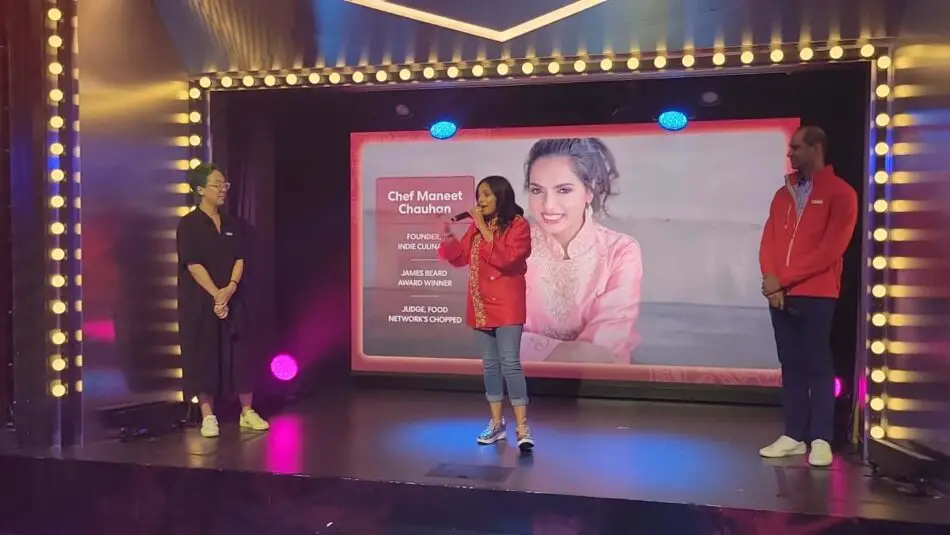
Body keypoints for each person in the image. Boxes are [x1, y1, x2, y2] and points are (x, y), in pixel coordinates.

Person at [757, 126, 857, 467]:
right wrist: (771, 281)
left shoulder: (841, 193)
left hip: (817, 293)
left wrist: (781, 280)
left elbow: (830, 250)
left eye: (797, 147)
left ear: (816, 149)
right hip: (780, 294)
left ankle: (821, 437)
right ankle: (794, 435)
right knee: (791, 365)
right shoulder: (782, 194)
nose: (791, 154)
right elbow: (769, 240)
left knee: (818, 364)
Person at [520, 138, 643, 364]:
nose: (548, 205)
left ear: (589, 191)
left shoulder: (620, 251)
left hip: (601, 380)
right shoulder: (509, 247)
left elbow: (604, 350)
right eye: (537, 190)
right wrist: (573, 353)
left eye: (564, 190)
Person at [438, 175, 535, 451]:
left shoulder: (518, 225)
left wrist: (481, 226)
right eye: (479, 195)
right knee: (490, 365)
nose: (480, 200)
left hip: (507, 304)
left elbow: (507, 258)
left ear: (501, 196)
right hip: (481, 303)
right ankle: (496, 423)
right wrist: (447, 235)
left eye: (487, 195)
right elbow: (459, 258)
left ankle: (522, 427)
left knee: (510, 363)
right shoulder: (477, 228)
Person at [176, 163, 270, 438]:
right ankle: (208, 415)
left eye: (224, 185)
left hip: (233, 298)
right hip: (201, 301)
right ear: (200, 189)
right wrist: (216, 294)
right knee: (203, 353)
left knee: (241, 354)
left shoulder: (232, 224)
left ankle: (247, 411)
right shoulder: (188, 224)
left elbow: (240, 258)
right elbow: (193, 264)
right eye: (217, 185)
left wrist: (229, 289)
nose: (222, 190)